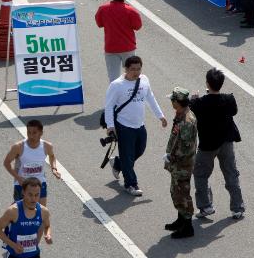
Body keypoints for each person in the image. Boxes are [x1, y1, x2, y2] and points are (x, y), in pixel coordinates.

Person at [103, 55, 167, 197]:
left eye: (139, 69)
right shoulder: (117, 85)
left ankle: (117, 164)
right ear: (126, 69)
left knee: (139, 150)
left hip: (139, 125)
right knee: (128, 155)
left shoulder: (144, 80)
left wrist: (160, 115)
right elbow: (108, 107)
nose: (136, 72)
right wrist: (110, 127)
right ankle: (131, 184)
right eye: (133, 69)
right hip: (123, 126)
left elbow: (150, 97)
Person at [189, 68, 246, 221]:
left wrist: (194, 98)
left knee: (201, 175)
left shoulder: (199, 103)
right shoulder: (228, 99)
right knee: (231, 173)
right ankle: (237, 208)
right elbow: (233, 112)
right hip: (226, 142)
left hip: (207, 145)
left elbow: (190, 111)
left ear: (207, 83)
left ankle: (206, 206)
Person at [163, 88, 199, 239]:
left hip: (182, 164)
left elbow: (184, 148)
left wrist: (170, 157)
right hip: (179, 164)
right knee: (176, 192)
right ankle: (181, 220)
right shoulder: (182, 114)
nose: (171, 102)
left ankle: (187, 227)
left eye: (173, 100)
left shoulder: (186, 121)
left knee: (182, 194)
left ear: (177, 102)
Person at [2, 119, 60, 204]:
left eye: (34, 133)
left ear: (41, 133)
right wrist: (18, 178)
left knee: (41, 211)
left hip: (40, 183)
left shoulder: (47, 146)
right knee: (19, 212)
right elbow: (6, 163)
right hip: (22, 184)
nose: (31, 136)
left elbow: (52, 156)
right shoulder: (18, 147)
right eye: (28, 132)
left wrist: (54, 169)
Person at [95, 0, 142, 82]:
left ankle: (116, 97)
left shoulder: (103, 9)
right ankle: (131, 96)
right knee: (132, 76)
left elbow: (99, 24)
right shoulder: (131, 11)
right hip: (128, 48)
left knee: (113, 79)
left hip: (111, 48)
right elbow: (138, 26)